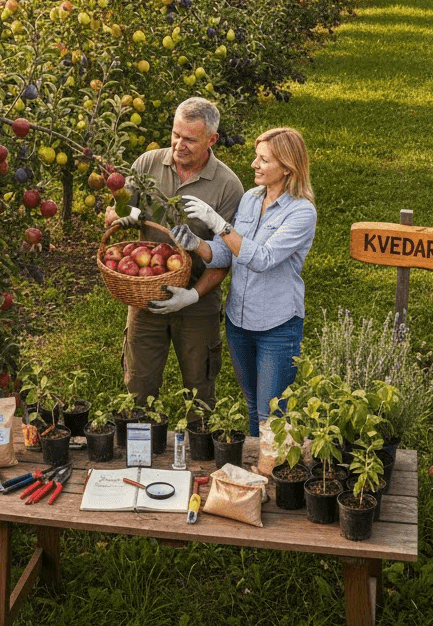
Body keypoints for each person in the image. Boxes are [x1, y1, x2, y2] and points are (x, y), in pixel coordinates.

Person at [171, 127, 316, 437]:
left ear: (287, 167)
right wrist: (198, 244)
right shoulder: (251, 199)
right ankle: (259, 470)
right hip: (239, 321)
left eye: (263, 160)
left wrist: (219, 224)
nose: (254, 164)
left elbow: (262, 258)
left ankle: (272, 474)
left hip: (277, 326)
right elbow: (228, 252)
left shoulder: (302, 213)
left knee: (271, 412)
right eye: (256, 157)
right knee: (253, 405)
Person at [104, 97, 243, 411]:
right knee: (138, 388)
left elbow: (227, 256)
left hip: (197, 304)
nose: (179, 144)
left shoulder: (227, 186)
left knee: (199, 393)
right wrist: (119, 212)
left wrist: (192, 295)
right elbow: (120, 208)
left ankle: (202, 457)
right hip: (146, 294)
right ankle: (139, 452)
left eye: (190, 139)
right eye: (176, 134)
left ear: (212, 139)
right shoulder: (148, 164)